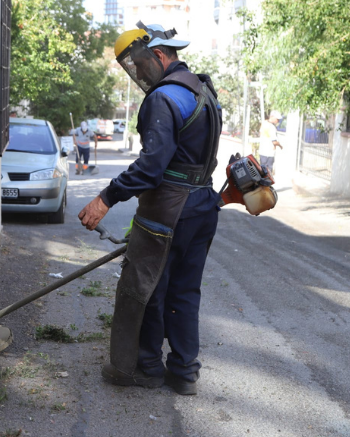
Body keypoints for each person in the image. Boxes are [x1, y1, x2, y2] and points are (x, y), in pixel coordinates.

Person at [78, 22, 222, 395]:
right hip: (203, 206)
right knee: (185, 291)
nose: (139, 75)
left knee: (146, 289)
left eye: (140, 67)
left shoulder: (163, 98)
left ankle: (143, 369)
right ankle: (184, 372)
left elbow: (151, 167)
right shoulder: (203, 89)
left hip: (168, 210)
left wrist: (106, 197)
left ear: (159, 56)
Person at [258, 110, 283, 174]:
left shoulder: (264, 123)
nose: (278, 121)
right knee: (268, 174)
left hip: (262, 152)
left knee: (262, 172)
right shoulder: (272, 127)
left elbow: (261, 134)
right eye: (277, 119)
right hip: (269, 154)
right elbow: (274, 142)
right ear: (272, 117)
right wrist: (280, 145)